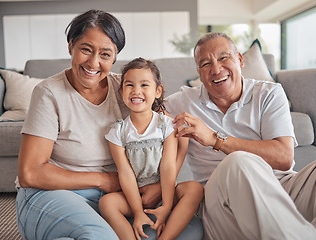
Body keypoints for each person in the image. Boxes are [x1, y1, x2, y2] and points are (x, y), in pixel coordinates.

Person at [15, 9, 202, 240]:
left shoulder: (127, 88)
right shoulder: (48, 93)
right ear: (70, 45)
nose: (93, 62)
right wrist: (103, 180)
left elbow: (168, 133)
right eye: (85, 49)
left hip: (117, 197)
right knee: (99, 236)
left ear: (114, 57)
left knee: (190, 230)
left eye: (105, 54)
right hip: (56, 193)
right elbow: (30, 174)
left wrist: (160, 187)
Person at [165, 32, 316, 239]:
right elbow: (140, 98)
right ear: (198, 71)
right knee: (238, 162)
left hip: (283, 186)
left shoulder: (269, 93)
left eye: (224, 58)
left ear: (240, 60)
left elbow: (284, 158)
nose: (216, 69)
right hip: (222, 204)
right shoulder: (180, 102)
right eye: (205, 64)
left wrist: (216, 140)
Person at [99, 57, 204, 240]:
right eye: (129, 85)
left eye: (144, 85)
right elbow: (125, 174)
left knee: (194, 189)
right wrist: (138, 212)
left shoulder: (165, 125)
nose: (136, 91)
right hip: (135, 195)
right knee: (107, 203)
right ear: (121, 91)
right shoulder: (118, 132)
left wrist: (166, 204)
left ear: (158, 91)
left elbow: (168, 166)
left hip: (166, 190)